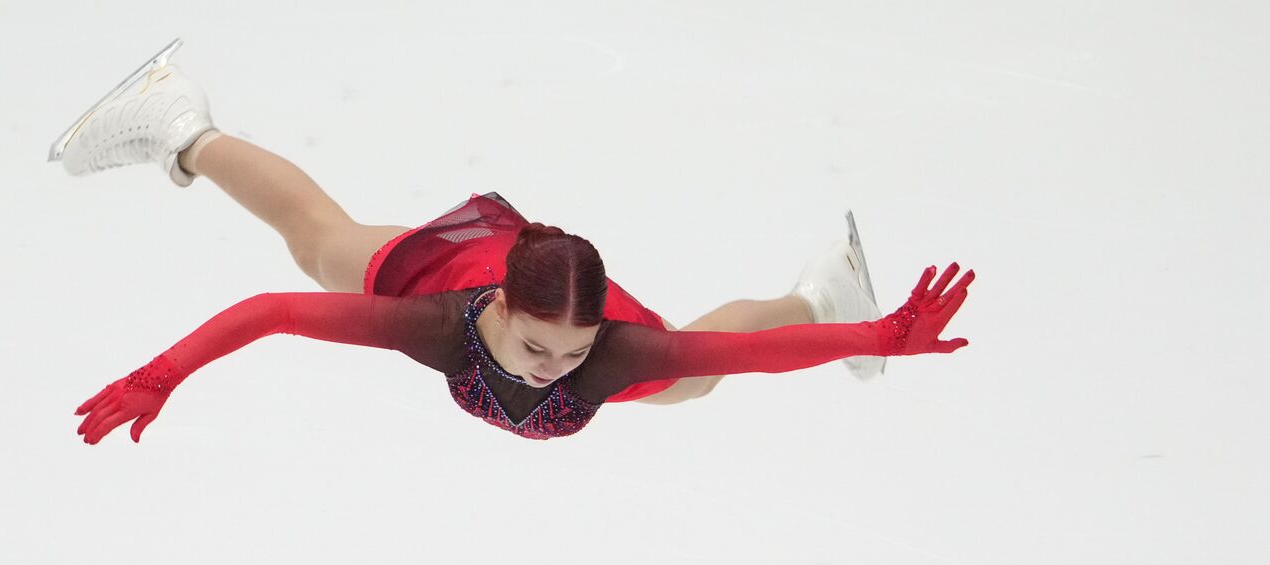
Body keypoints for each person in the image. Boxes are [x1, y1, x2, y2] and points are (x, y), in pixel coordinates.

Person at [54, 40, 975, 444]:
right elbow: (273, 313)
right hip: (444, 268)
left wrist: (873, 336)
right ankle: (179, 121)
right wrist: (164, 371)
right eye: (540, 347)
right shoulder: (432, 324)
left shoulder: (612, 351)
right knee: (316, 243)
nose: (550, 369)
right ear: (498, 308)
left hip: (551, 282)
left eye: (570, 352)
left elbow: (748, 353)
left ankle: (825, 291)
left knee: (691, 380)